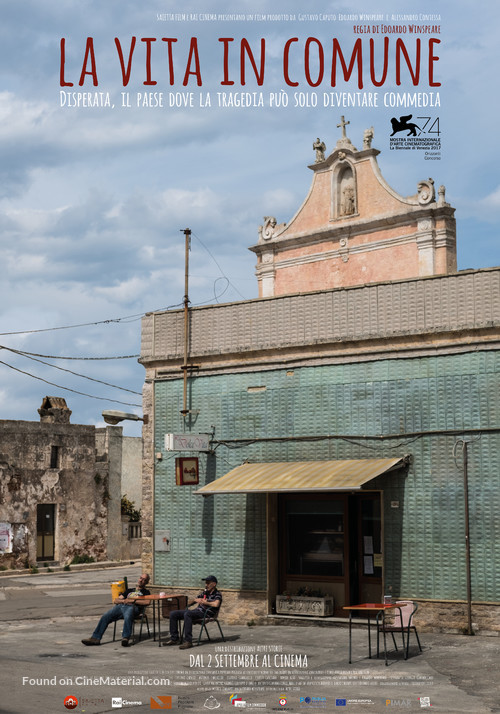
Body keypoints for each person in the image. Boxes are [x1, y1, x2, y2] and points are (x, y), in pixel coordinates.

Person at [82, 573, 150, 647]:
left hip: (133, 607)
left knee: (128, 615)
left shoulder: (146, 592)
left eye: (144, 580)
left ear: (146, 582)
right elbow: (116, 600)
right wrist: (123, 601)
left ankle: (125, 638)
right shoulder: (129, 590)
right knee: (105, 616)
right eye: (141, 578)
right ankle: (95, 638)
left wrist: (133, 601)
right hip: (122, 606)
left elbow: (147, 602)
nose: (141, 580)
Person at [164, 575, 222, 650]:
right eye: (206, 583)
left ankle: (188, 641)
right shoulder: (205, 593)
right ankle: (174, 639)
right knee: (173, 613)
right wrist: (195, 600)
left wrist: (205, 602)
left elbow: (216, 604)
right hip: (197, 611)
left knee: (187, 614)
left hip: (206, 614)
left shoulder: (217, 594)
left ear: (214, 584)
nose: (206, 585)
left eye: (208, 583)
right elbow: (190, 603)